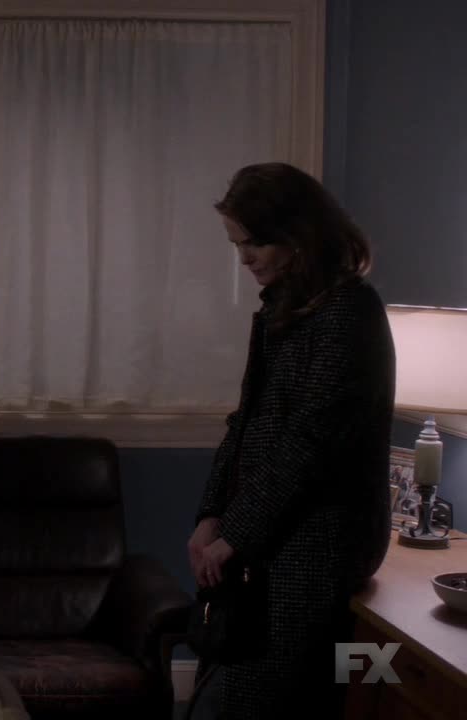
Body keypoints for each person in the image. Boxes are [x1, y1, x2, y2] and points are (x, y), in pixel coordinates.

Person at [186, 162, 395, 718]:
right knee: (220, 686)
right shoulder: (280, 308)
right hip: (268, 525)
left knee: (252, 698)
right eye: (237, 245)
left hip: (323, 534)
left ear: (299, 235)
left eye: (255, 243)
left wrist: (237, 534)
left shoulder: (349, 312)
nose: (244, 259)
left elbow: (313, 442)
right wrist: (210, 516)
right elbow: (246, 421)